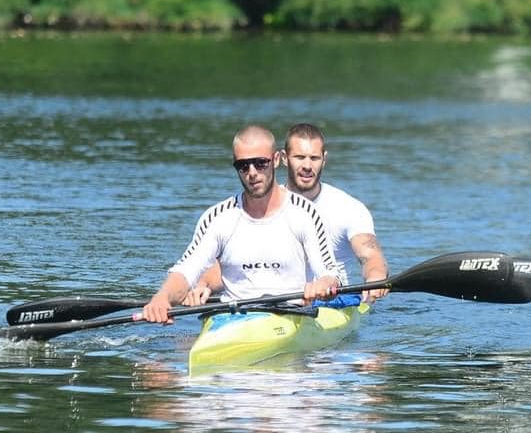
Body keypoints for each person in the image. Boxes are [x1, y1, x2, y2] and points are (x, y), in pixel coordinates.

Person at [142, 125, 347, 325]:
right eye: (243, 165)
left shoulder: (305, 213)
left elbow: (330, 273)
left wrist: (323, 284)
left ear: (276, 160)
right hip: (232, 318)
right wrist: (162, 298)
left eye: (260, 163)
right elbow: (186, 271)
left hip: (291, 315)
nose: (252, 173)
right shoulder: (218, 218)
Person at [185, 123, 389, 306]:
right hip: (275, 301)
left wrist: (376, 278)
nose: (307, 166)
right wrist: (203, 284)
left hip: (332, 300)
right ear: (282, 159)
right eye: (299, 157)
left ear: (324, 160)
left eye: (314, 158)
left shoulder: (349, 208)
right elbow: (235, 264)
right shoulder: (262, 206)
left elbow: (370, 255)